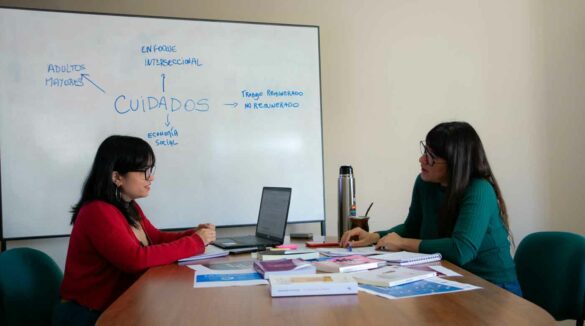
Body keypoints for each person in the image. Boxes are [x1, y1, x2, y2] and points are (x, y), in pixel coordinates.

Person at [340, 121, 521, 296]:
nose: (421, 159)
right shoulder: (425, 183)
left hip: (494, 288)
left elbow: (461, 250)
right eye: (425, 151)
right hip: (451, 279)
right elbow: (412, 228)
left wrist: (402, 243)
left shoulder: (479, 190)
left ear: (455, 163)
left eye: (431, 157)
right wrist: (375, 237)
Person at [53, 135, 216, 325]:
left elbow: (155, 238)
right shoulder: (97, 211)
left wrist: (193, 233)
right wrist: (196, 241)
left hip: (117, 304)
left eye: (150, 169)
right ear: (116, 177)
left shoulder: (128, 205)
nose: (151, 177)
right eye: (143, 171)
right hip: (88, 315)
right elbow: (134, 259)